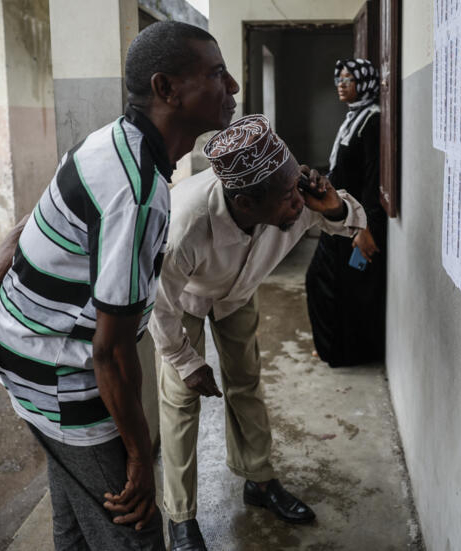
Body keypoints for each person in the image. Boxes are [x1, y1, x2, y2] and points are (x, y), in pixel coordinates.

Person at [0, 21, 239, 551]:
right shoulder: (137, 194)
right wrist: (136, 456)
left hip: (23, 356)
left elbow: (25, 228)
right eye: (217, 74)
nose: (233, 88)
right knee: (133, 528)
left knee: (76, 524)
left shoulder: (107, 140)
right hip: (59, 378)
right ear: (166, 89)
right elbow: (109, 353)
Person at [149, 114, 366, 550]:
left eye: (296, 189)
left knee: (245, 382)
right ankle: (180, 517)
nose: (297, 202)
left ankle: (259, 480)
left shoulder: (293, 197)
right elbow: (160, 305)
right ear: (245, 203)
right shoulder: (185, 225)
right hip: (186, 297)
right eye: (288, 197)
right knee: (181, 400)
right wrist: (188, 362)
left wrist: (336, 208)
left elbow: (348, 220)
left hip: (239, 293)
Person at [305, 58, 386, 367]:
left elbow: (372, 178)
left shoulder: (372, 120)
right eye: (338, 78)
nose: (341, 83)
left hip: (355, 221)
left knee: (345, 287)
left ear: (364, 83)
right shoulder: (356, 116)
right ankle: (331, 348)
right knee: (325, 282)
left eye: (349, 79)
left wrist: (364, 228)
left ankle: (343, 352)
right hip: (338, 213)